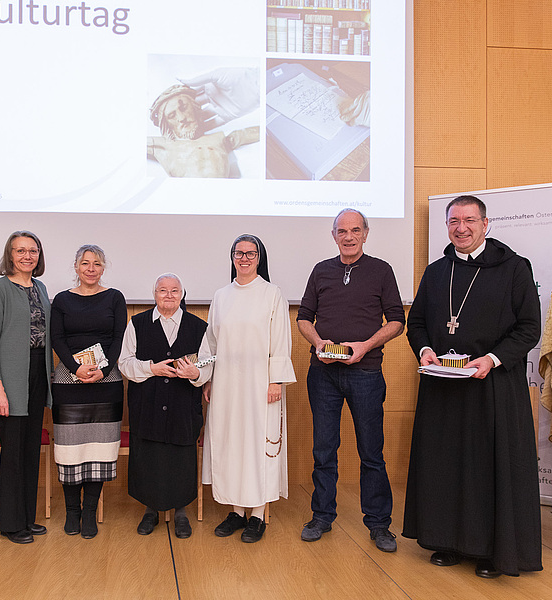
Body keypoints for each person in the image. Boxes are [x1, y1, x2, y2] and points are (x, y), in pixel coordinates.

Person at [403, 195, 542, 578]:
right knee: (445, 466)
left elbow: (529, 327)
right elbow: (417, 324)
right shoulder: (436, 272)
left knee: (486, 467)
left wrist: (492, 359)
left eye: (468, 220)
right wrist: (426, 349)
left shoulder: (514, 268)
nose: (460, 228)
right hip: (443, 389)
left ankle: (490, 550)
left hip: (492, 388)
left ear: (485, 224)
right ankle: (446, 541)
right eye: (453, 221)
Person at [296, 208, 405, 552]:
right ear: (334, 235)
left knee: (371, 452)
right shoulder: (321, 270)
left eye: (355, 230)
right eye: (342, 231)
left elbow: (397, 321)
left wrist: (366, 345)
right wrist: (318, 344)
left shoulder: (381, 270)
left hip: (366, 373)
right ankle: (322, 516)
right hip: (324, 374)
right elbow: (303, 318)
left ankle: (378, 524)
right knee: (323, 450)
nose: (348, 236)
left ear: (366, 233)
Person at [202, 234, 295, 543]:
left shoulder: (272, 294)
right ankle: (236, 511)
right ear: (231, 258)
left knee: (257, 446)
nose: (244, 258)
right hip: (227, 385)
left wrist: (276, 381)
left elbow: (281, 340)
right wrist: (209, 377)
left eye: (250, 253)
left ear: (259, 258)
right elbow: (212, 344)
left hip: (260, 385)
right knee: (231, 444)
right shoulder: (221, 296)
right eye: (238, 253)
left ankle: (257, 514)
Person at [119, 273, 213, 538]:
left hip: (183, 405)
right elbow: (124, 362)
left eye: (174, 291)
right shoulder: (136, 323)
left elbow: (207, 363)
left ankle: (181, 511)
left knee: (181, 456)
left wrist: (195, 374)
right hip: (146, 404)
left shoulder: (199, 326)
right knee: (148, 454)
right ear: (154, 294)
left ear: (182, 295)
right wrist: (151, 368)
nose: (168, 295)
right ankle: (150, 510)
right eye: (163, 290)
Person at [50, 245, 127, 539]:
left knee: (100, 449)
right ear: (76, 267)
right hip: (69, 381)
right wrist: (76, 369)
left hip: (106, 382)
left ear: (103, 267)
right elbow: (57, 337)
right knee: (70, 449)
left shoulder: (115, 297)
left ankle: (90, 512)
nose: (91, 268)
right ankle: (72, 511)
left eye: (96, 263)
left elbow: (118, 338)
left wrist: (103, 371)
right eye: (85, 263)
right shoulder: (62, 300)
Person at [0, 231, 53, 544]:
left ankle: (26, 517)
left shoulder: (40, 288)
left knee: (30, 448)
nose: (27, 256)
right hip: (10, 379)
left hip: (38, 372)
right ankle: (10, 523)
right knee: (13, 451)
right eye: (20, 250)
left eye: (33, 250)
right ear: (9, 255)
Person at [147, 83, 260, 178]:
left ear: (194, 107)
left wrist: (256, 89)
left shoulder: (218, 138)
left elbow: (259, 132)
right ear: (166, 124)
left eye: (184, 108)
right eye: (172, 116)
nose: (182, 118)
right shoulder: (162, 145)